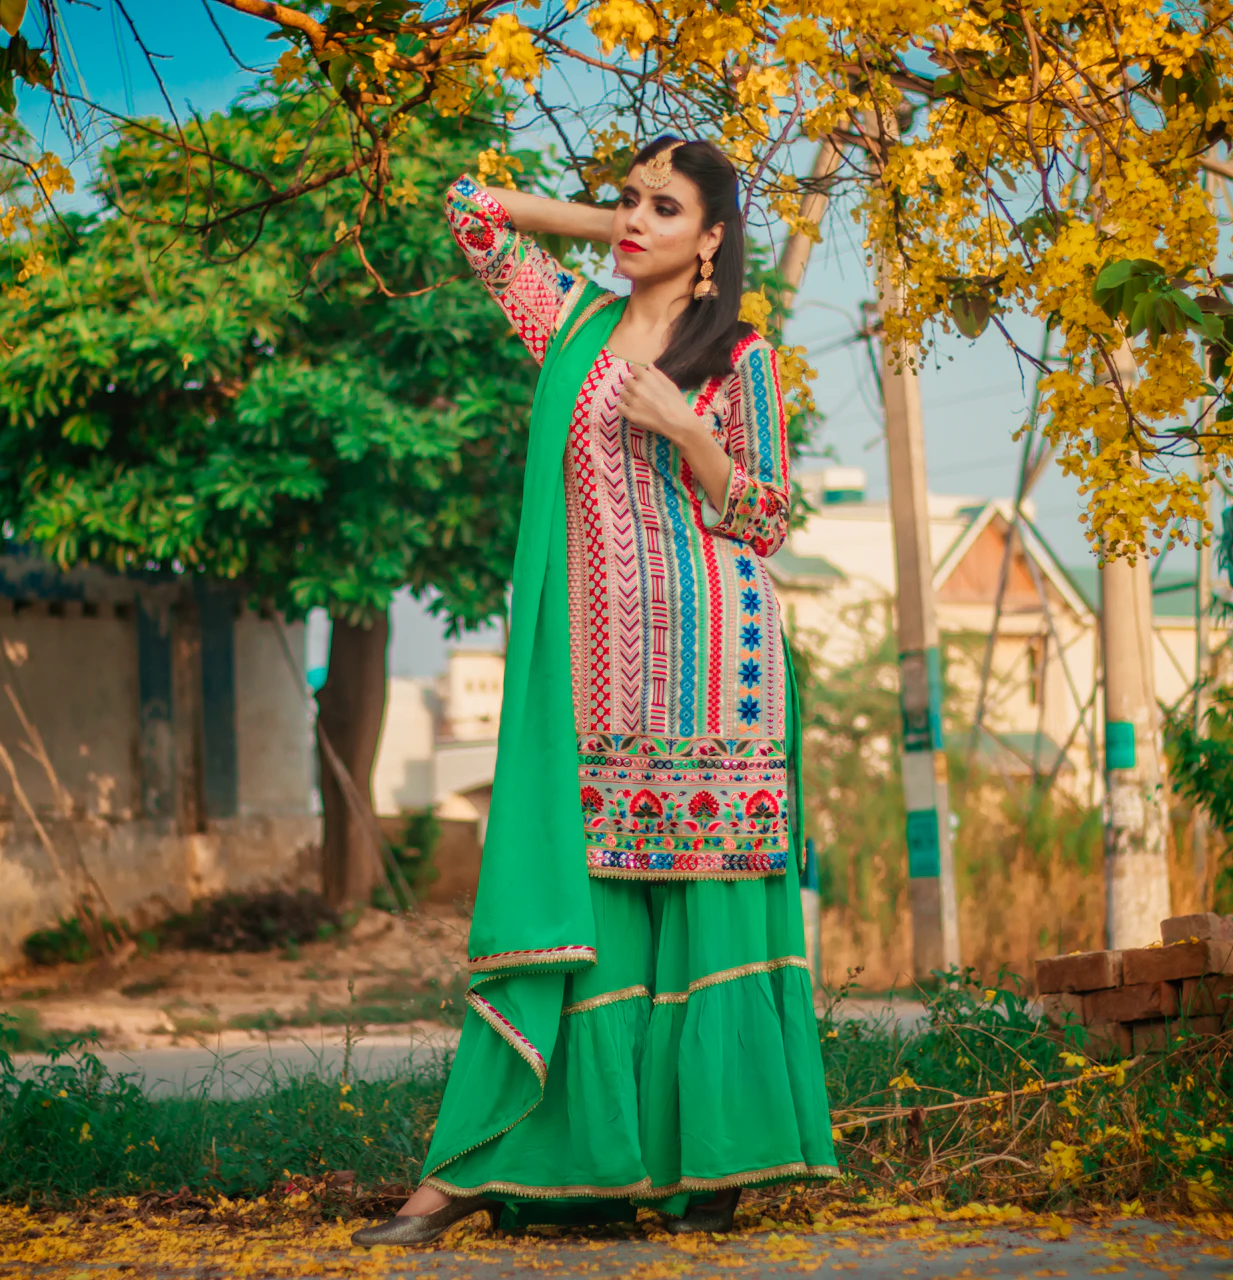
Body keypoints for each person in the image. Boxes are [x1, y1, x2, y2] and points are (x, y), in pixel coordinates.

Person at [351, 137, 836, 1248]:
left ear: (714, 237)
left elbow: (764, 518)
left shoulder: (741, 354)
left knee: (703, 912)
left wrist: (687, 431)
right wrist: (606, 227)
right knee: (595, 911)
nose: (635, 220)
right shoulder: (569, 323)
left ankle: (714, 1168)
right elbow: (472, 211)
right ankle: (549, 1163)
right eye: (628, 201)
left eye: (665, 209)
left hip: (720, 667)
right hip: (591, 675)